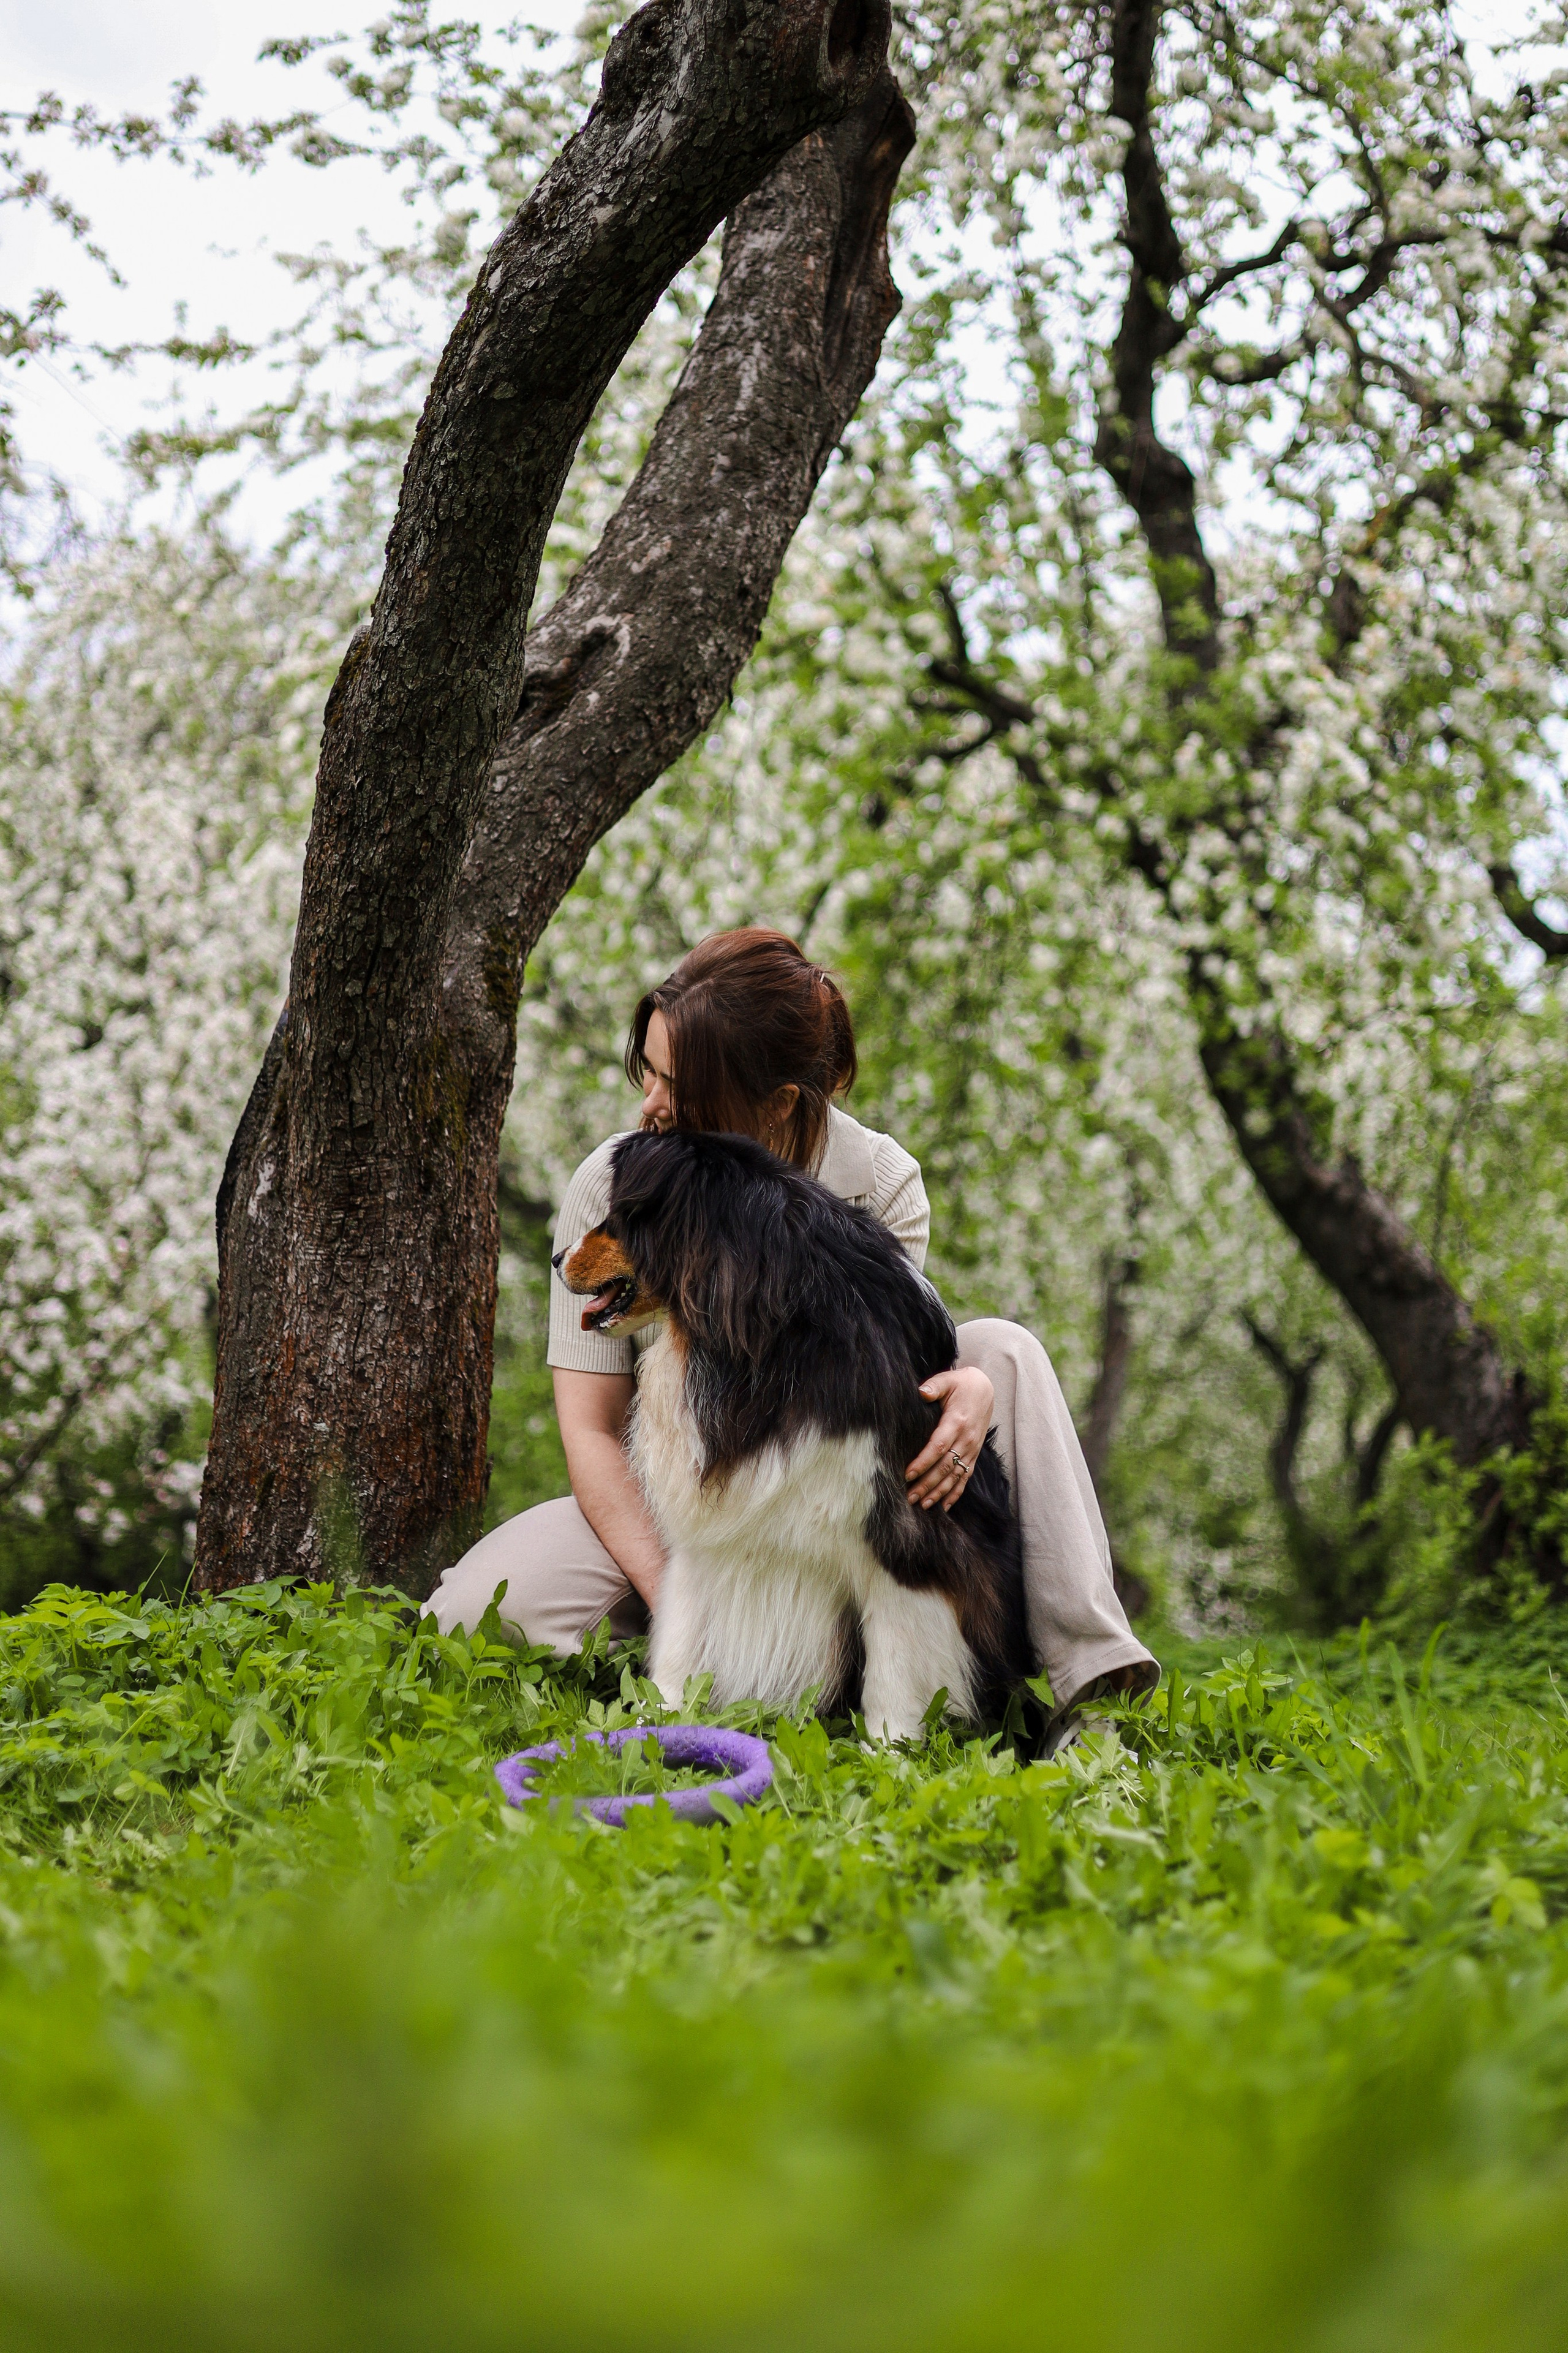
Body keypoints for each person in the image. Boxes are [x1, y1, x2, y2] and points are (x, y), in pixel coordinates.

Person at [423, 929, 1157, 1730]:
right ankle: (736, 1669)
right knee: (471, 1613)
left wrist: (974, 1391)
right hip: (675, 1502)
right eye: (649, 1073)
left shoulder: (878, 1181)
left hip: (825, 1504)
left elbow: (885, 1393)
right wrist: (686, 1604)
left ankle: (1094, 1687)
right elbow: (593, 1432)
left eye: (679, 1086)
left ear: (775, 1104)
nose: (650, 1107)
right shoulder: (613, 1184)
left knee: (1001, 1354)